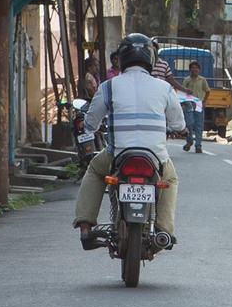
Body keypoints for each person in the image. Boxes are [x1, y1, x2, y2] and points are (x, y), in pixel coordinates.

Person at [72, 33, 185, 251]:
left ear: (122, 58)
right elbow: (179, 124)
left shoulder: (108, 87)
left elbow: (91, 123)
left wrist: (89, 127)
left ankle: (85, 227)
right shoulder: (164, 88)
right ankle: (164, 231)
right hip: (156, 158)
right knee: (170, 179)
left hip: (118, 156)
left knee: (95, 170)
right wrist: (180, 129)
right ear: (150, 59)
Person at [180, 62, 209, 153]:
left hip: (199, 104)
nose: (194, 69)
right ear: (190, 69)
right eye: (192, 67)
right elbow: (183, 92)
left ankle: (198, 145)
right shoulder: (186, 80)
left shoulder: (202, 80)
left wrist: (204, 101)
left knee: (199, 125)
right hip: (188, 104)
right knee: (189, 123)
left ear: (199, 69)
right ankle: (189, 141)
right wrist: (182, 103)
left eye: (196, 68)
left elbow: (207, 91)